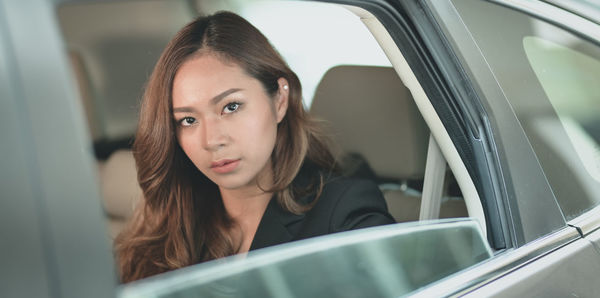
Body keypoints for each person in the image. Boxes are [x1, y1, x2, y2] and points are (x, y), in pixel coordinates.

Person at [115, 11, 395, 283]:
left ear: (279, 101)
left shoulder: (343, 214)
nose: (212, 141)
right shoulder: (170, 224)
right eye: (188, 120)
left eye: (231, 106)